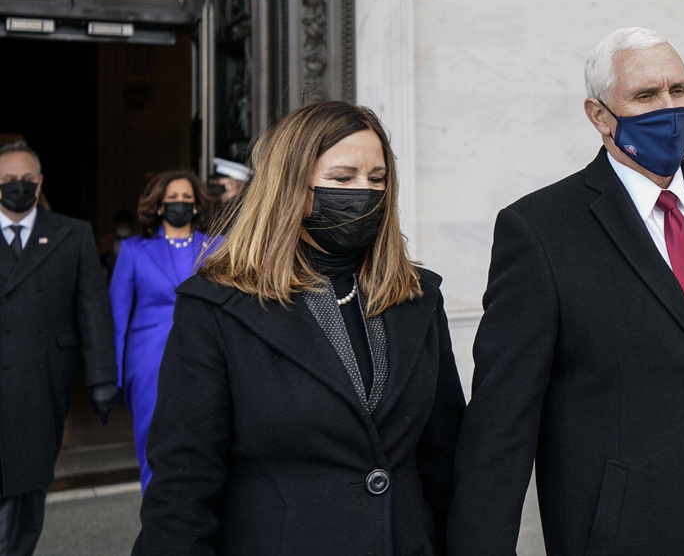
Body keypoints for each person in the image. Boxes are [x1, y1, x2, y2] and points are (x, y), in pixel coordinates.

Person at [448, 28, 684, 555]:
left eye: (679, 89)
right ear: (599, 115)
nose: (669, 108)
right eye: (645, 96)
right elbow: (503, 422)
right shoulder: (539, 230)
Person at [134, 101, 466, 555]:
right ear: (292, 184)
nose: (364, 192)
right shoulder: (216, 306)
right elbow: (183, 482)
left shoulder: (418, 296)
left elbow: (444, 459)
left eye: (377, 179)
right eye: (343, 178)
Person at [0, 141, 118, 555]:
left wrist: (103, 379)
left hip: (41, 383)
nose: (19, 186)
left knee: (28, 487)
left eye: (27, 179)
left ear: (40, 181)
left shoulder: (72, 234)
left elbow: (93, 311)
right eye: (8, 180)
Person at [108, 170, 218, 491]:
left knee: (205, 442)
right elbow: (117, 315)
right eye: (172, 199)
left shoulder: (219, 247)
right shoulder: (133, 250)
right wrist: (113, 376)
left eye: (187, 199)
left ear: (197, 206)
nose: (179, 205)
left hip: (206, 358)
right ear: (158, 206)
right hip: (149, 364)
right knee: (152, 442)